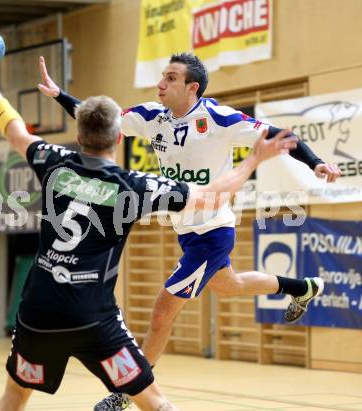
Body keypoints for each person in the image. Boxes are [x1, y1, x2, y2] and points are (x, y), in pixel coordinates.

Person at [0, 63, 295, 411]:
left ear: (78, 138)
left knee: (14, 396)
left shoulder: (53, 160)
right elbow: (212, 195)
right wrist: (252, 162)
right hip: (93, 317)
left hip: (38, 312)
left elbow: (16, 132)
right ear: (120, 137)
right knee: (153, 401)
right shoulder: (134, 187)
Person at [38, 53, 342, 411]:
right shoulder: (152, 116)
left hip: (213, 231)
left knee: (162, 312)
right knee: (232, 286)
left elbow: (278, 135)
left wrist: (317, 163)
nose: (161, 84)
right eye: (162, 77)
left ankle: (129, 391)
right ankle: (303, 288)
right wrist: (59, 94)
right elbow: (101, 123)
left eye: (170, 78)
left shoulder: (218, 118)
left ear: (191, 87)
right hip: (187, 229)